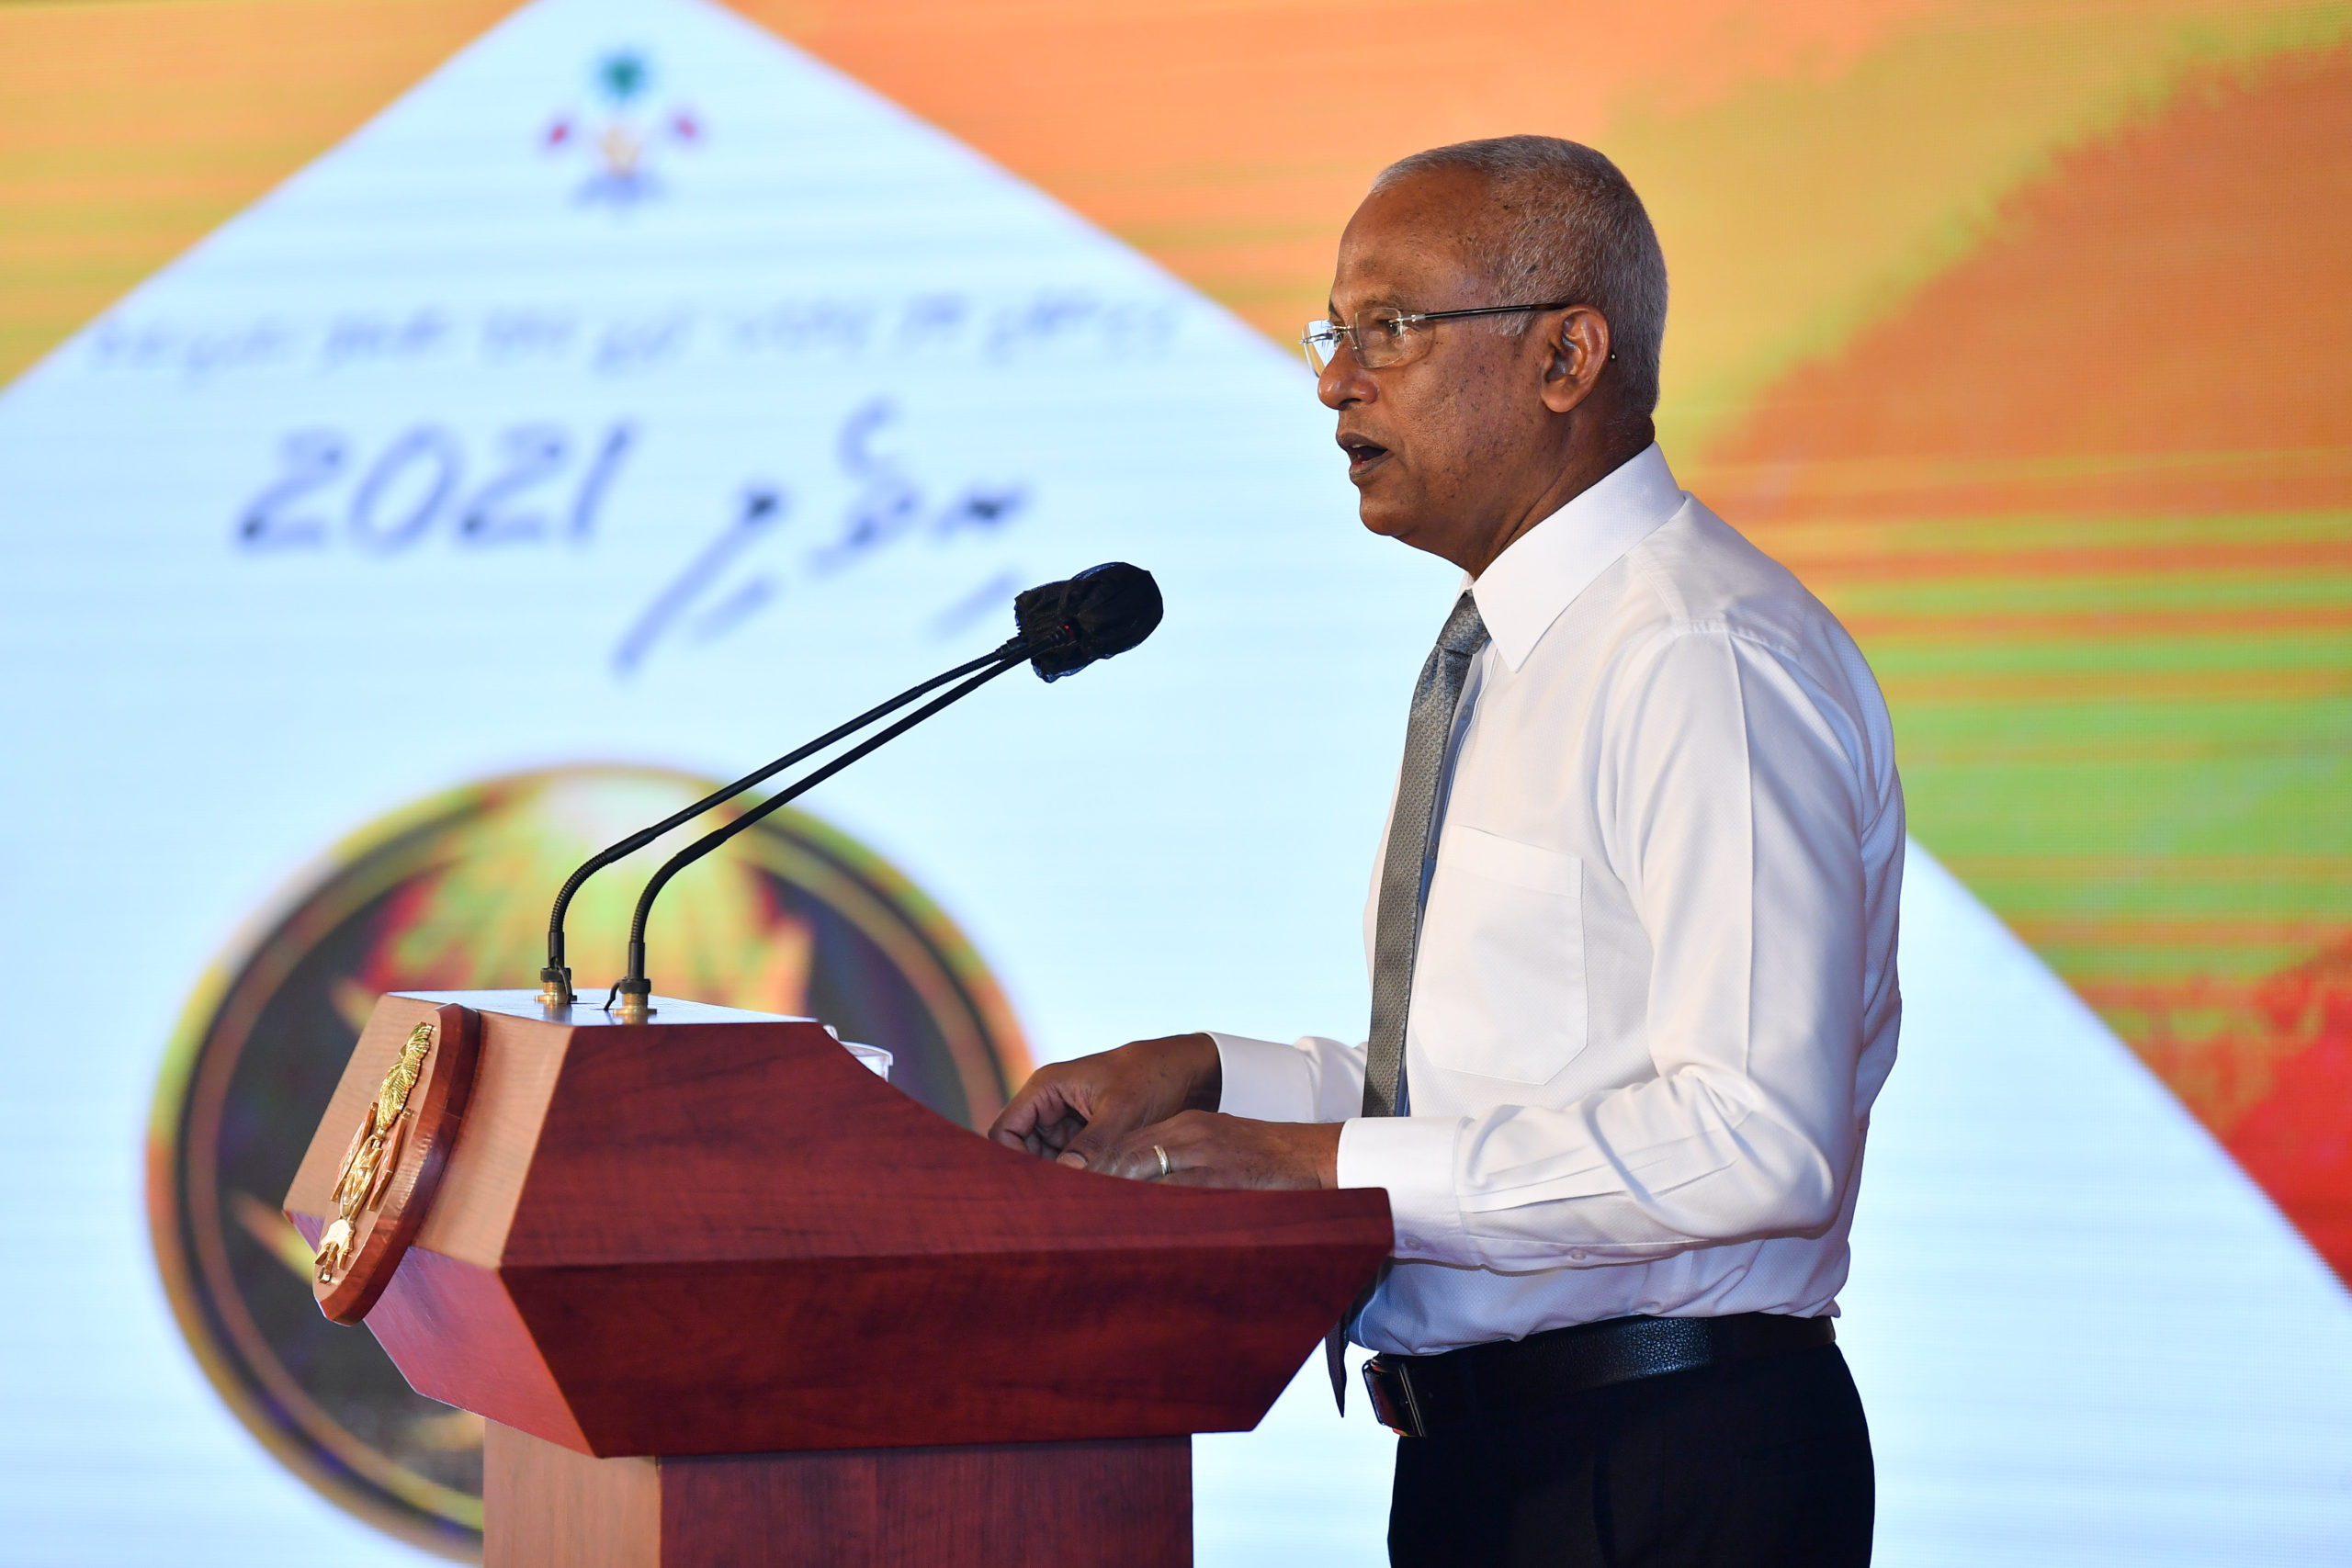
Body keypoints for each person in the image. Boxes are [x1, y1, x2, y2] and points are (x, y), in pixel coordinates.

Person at [988, 135, 1903, 1568]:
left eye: (1392, 328)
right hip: (1496, 1462)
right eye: (1333, 334)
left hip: (1659, 1468)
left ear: (1566, 357)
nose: (1336, 382)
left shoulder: (1696, 657)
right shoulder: (1516, 645)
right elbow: (1518, 1087)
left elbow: (1752, 1142)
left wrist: (1308, 1167)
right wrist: (1213, 1079)